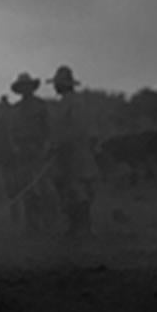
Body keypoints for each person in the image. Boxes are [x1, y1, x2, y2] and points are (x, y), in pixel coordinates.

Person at [46, 65, 98, 236]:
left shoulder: (73, 103)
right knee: (69, 190)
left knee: (77, 189)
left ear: (63, 85)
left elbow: (76, 128)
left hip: (74, 153)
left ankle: (83, 227)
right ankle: (75, 227)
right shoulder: (68, 103)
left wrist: (59, 144)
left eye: (57, 83)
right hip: (68, 153)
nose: (55, 87)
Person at [7, 72, 55, 232]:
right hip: (21, 151)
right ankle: (31, 223)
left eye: (27, 87)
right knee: (25, 188)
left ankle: (48, 221)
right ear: (19, 90)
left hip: (39, 149)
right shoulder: (15, 110)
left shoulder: (41, 106)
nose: (25, 90)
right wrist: (15, 147)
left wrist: (46, 146)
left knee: (44, 187)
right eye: (22, 88)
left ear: (32, 88)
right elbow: (11, 132)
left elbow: (49, 128)